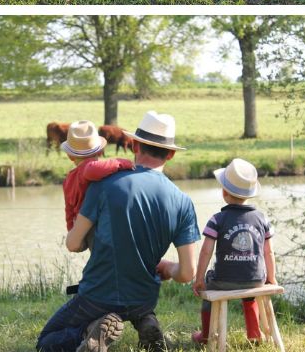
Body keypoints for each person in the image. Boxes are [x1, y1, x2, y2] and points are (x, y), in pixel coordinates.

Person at [36, 111, 199, 352]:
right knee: (139, 301)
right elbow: (187, 273)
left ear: (133, 145)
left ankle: (89, 331)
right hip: (144, 297)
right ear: (171, 154)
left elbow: (73, 244)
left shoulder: (103, 185)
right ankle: (145, 319)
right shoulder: (183, 201)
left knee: (47, 341)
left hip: (98, 297)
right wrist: (168, 267)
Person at [186, 158, 277, 346]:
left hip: (223, 281)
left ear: (224, 191)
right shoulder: (262, 218)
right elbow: (269, 253)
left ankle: (205, 334)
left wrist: (200, 279)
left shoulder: (217, 219)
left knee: (209, 289)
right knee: (248, 286)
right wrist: (271, 278)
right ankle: (253, 333)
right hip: (256, 280)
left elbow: (205, 252)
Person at [59, 120, 133, 235]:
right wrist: (125, 163)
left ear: (70, 156)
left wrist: (71, 230)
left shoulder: (68, 180)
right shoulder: (88, 169)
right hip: (92, 224)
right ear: (99, 152)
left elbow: (68, 209)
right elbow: (100, 167)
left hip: (80, 226)